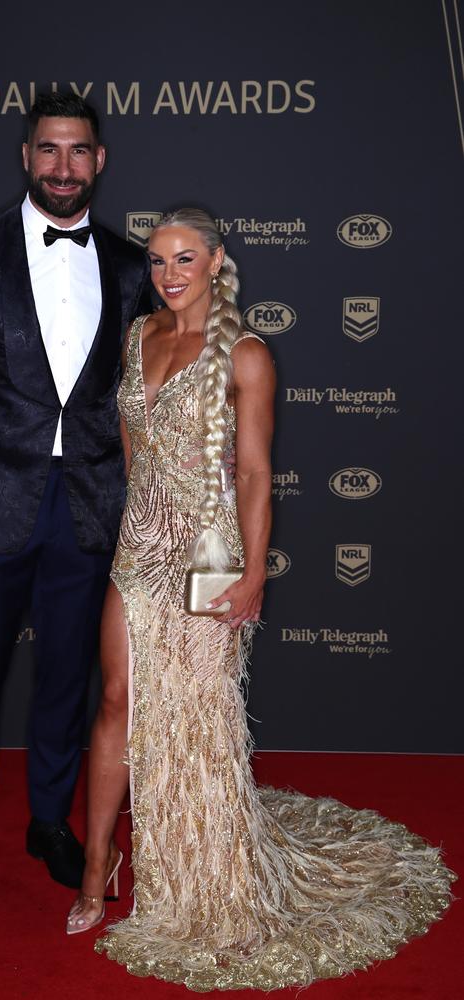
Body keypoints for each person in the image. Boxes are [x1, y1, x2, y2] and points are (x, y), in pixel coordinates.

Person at [66, 208, 454, 990]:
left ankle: (206, 874)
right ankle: (98, 864)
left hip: (211, 554)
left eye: (185, 259)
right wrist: (140, 528)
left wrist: (251, 575)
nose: (169, 273)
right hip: (140, 547)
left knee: (200, 716)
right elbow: (135, 447)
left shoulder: (246, 355)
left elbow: (252, 473)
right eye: (158, 261)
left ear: (216, 262)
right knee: (115, 702)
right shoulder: (138, 337)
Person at [0, 93, 151, 906]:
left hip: (87, 506)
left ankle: (49, 821)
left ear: (100, 161)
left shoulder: (127, 265)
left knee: (66, 680)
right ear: (25, 156)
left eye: (79, 152)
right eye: (49, 150)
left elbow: (146, 397)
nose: (63, 168)